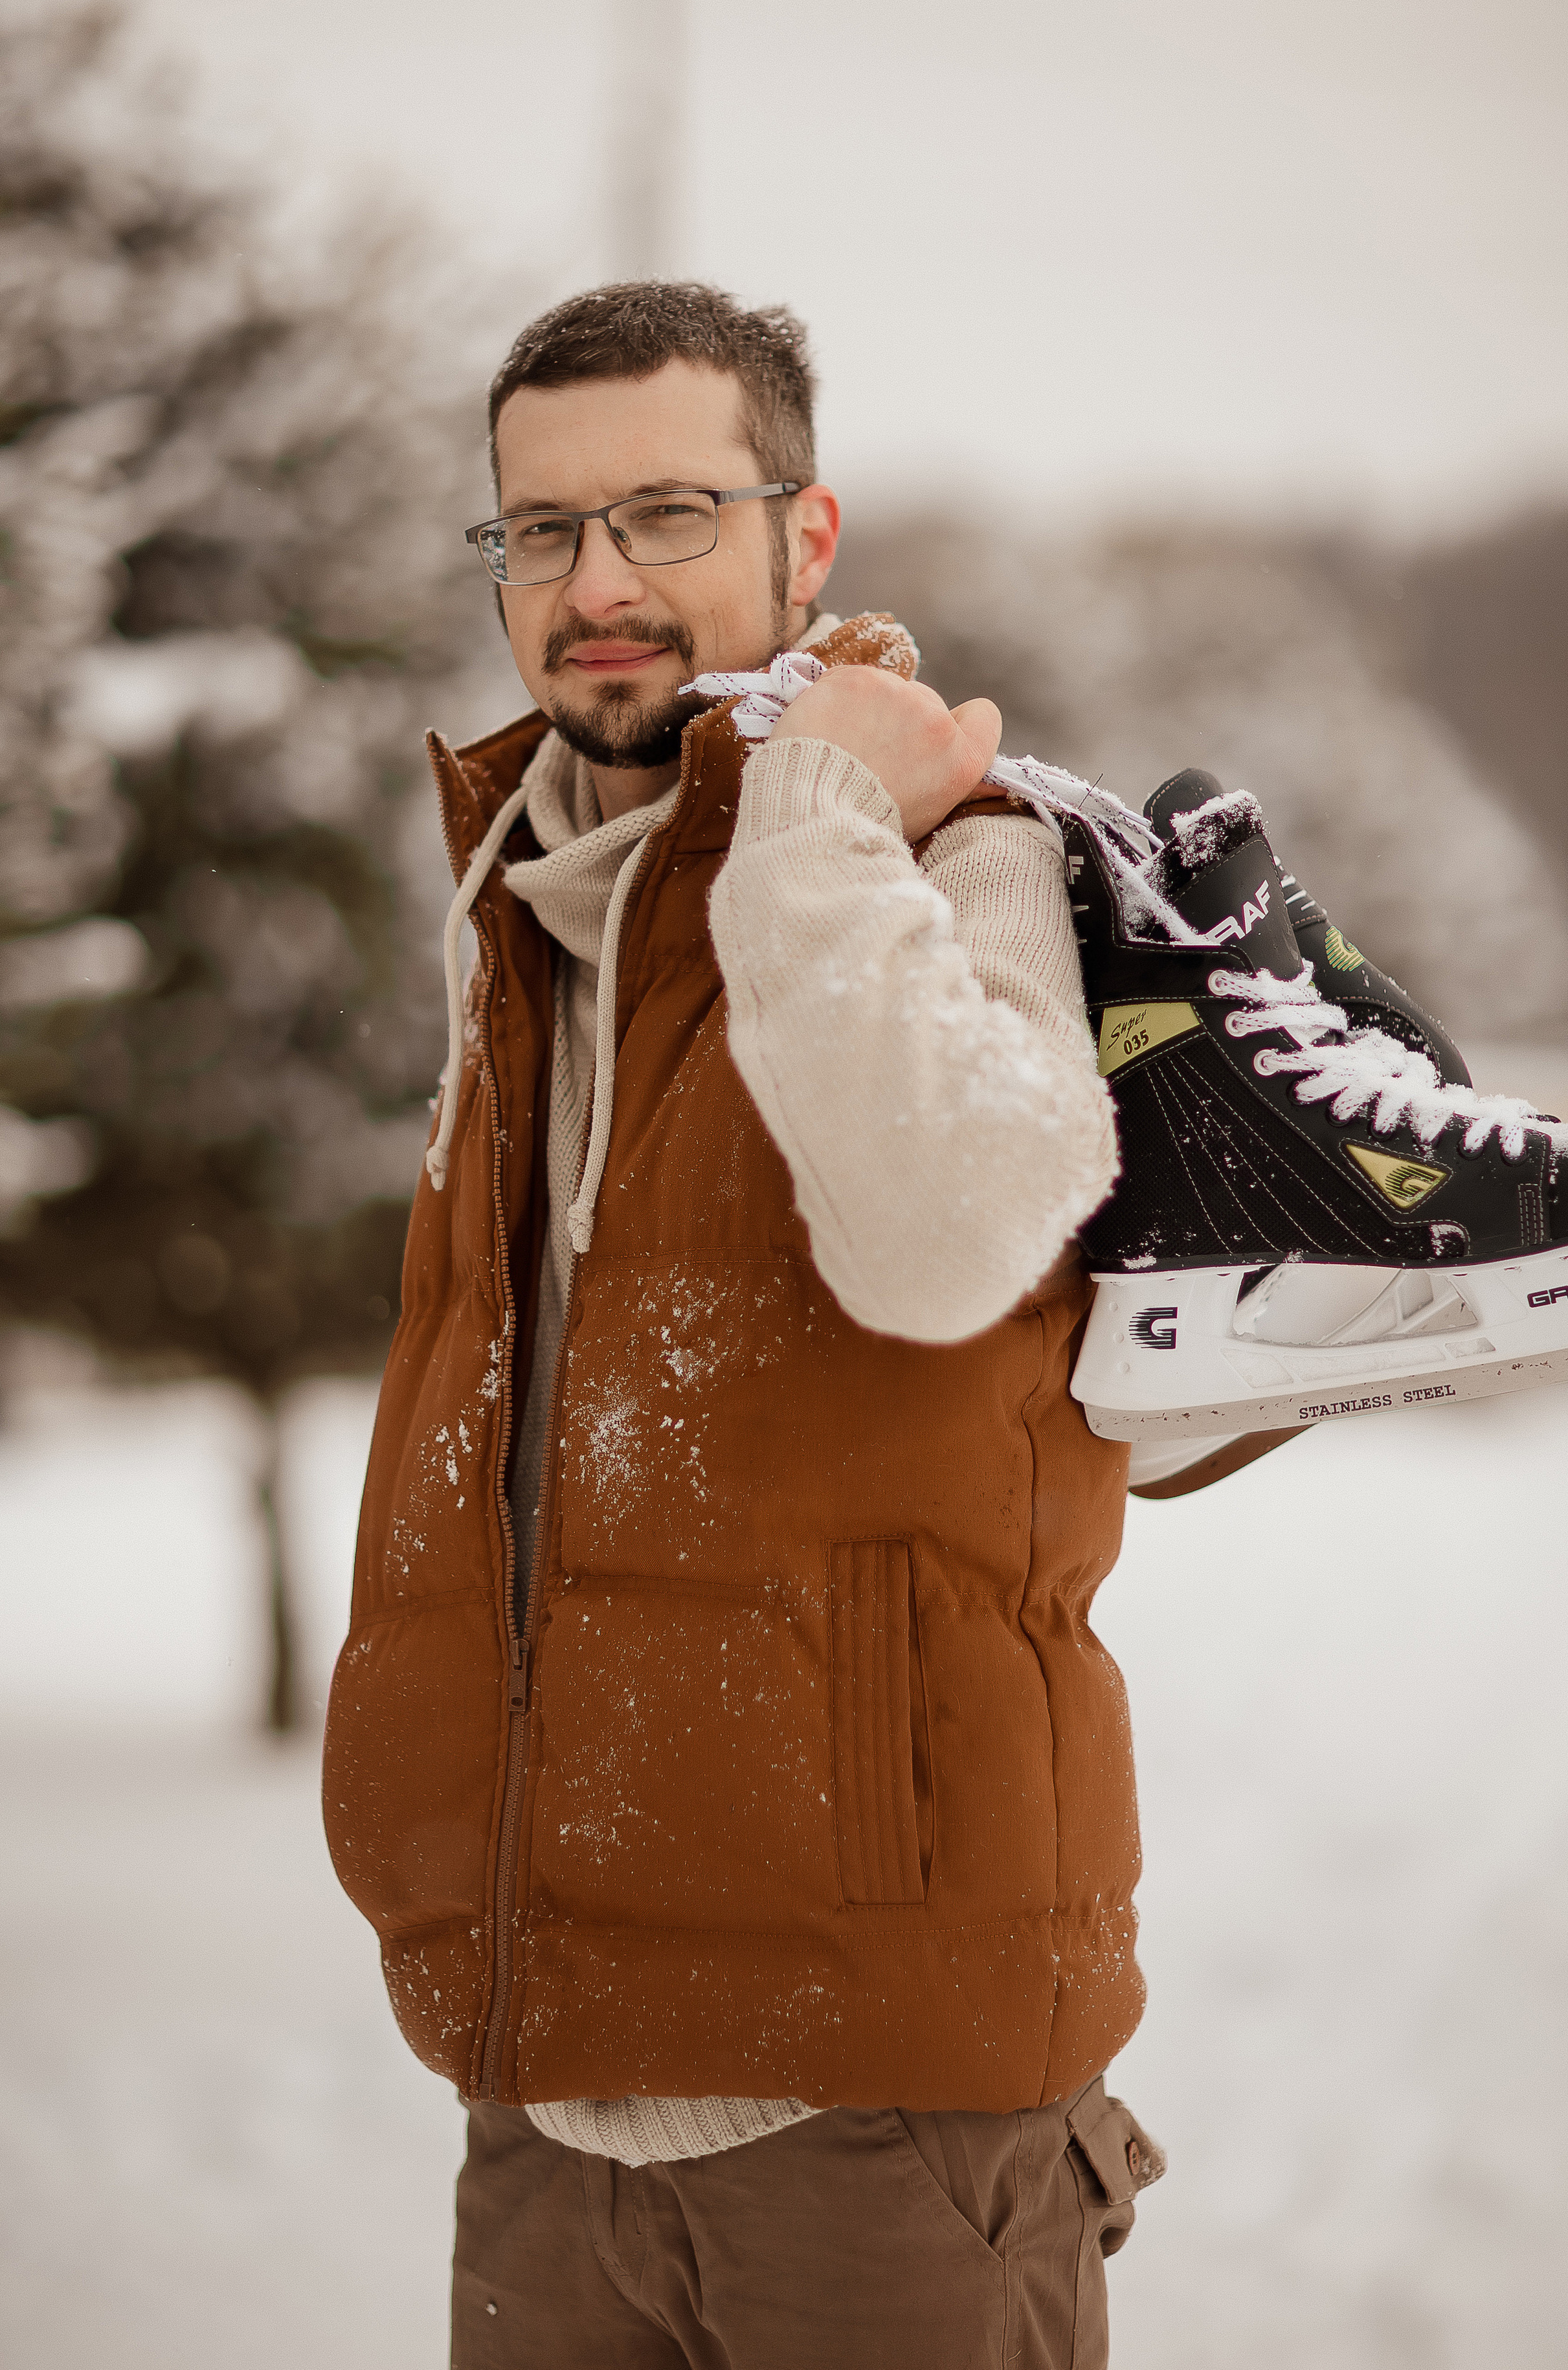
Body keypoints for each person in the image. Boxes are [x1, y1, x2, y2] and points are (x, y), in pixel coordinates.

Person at [322, 280, 1165, 2370]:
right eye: (539, 529)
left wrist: (809, 816)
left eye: (669, 514)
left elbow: (948, 1235)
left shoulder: (951, 853)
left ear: (808, 535)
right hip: (542, 2090)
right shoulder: (524, 910)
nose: (596, 583)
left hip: (876, 2115)